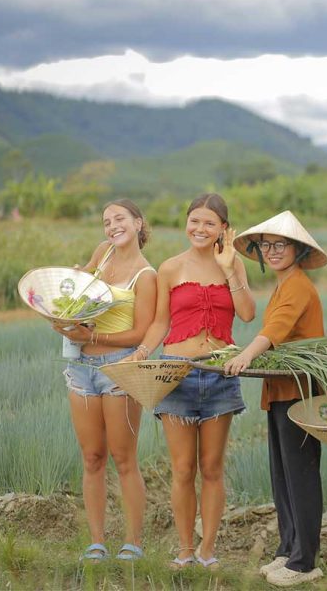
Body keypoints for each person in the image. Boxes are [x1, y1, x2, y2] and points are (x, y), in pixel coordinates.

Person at [129, 193, 255, 569]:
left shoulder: (234, 265)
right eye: (195, 221)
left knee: (212, 467)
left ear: (223, 230)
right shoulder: (169, 268)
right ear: (187, 223)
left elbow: (247, 314)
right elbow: (160, 322)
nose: (200, 229)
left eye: (210, 223)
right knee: (183, 468)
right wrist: (142, 352)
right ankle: (184, 550)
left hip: (220, 375)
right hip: (177, 375)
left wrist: (230, 268)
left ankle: (207, 551)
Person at [224, 210, 327, 587]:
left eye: (280, 244)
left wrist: (245, 355)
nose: (272, 251)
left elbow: (275, 329)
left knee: (300, 475)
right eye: (266, 245)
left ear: (298, 250)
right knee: (282, 474)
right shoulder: (284, 284)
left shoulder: (298, 285)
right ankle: (288, 549)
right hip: (281, 390)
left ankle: (304, 562)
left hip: (300, 393)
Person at [53, 199, 156, 562]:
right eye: (106, 221)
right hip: (81, 367)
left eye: (120, 219)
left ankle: (133, 543)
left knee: (123, 457)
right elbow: (82, 300)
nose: (112, 226)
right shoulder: (103, 253)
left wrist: (93, 338)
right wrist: (64, 308)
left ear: (138, 223)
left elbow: (141, 332)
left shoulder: (146, 275)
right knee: (92, 457)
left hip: (118, 369)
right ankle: (96, 543)